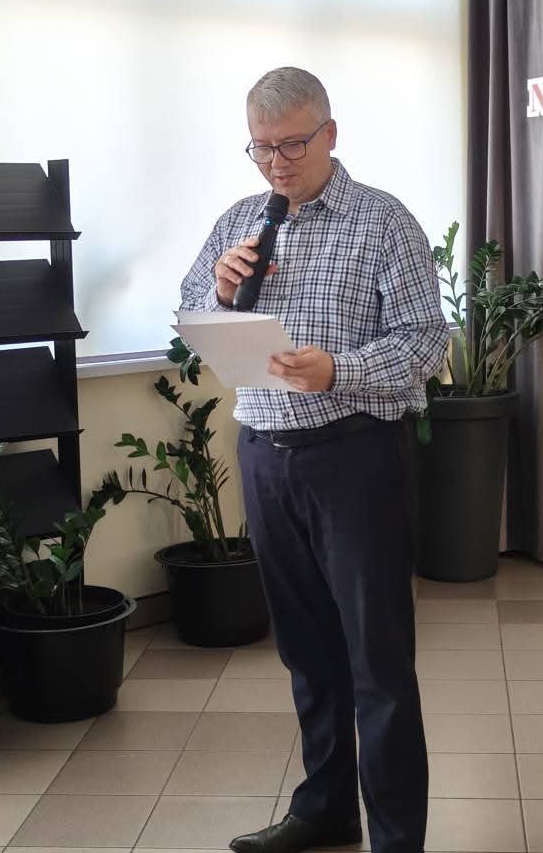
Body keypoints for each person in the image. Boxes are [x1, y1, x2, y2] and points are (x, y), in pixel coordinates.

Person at [180, 67, 448, 853]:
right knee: (306, 652)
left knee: (377, 662)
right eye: (261, 148)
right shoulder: (239, 219)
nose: (276, 163)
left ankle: (397, 838)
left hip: (354, 457)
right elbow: (189, 314)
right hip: (266, 456)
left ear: (330, 133)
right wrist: (216, 292)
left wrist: (339, 370)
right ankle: (326, 809)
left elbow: (425, 343)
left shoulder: (384, 222)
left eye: (292, 145)